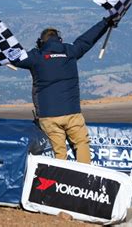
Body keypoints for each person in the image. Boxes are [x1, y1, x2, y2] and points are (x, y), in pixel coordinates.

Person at [13, 16, 117, 164]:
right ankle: (85, 176)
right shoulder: (70, 51)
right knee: (81, 144)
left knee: (59, 152)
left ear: (41, 43)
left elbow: (12, 57)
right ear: (59, 40)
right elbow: (88, 38)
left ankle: (60, 180)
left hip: (48, 117)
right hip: (72, 113)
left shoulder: (35, 57)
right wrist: (106, 23)